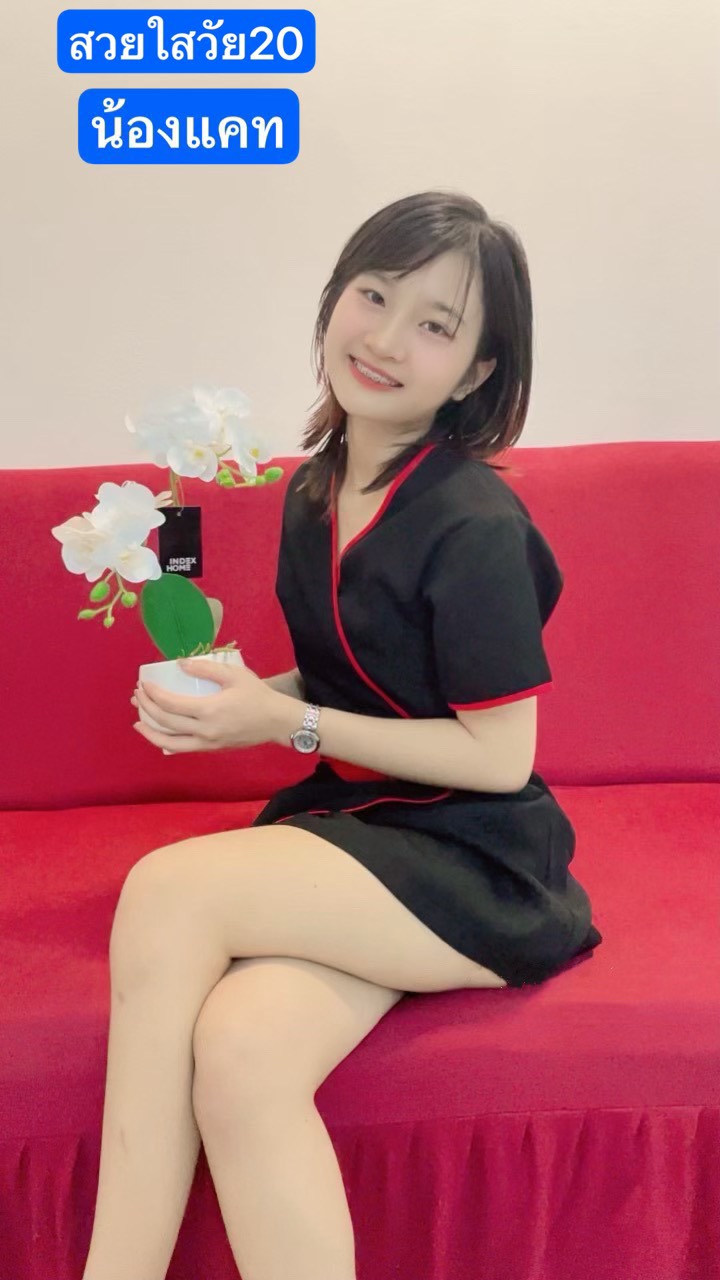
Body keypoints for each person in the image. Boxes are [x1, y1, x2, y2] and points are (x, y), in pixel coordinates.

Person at [84, 190, 602, 1280]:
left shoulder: (477, 523)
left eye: (435, 324)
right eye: (374, 296)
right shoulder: (316, 491)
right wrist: (234, 704)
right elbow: (344, 685)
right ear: (334, 300)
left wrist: (283, 721)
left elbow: (498, 756)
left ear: (475, 371)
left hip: (473, 857)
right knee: (240, 1053)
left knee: (168, 890)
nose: (387, 338)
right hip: (362, 827)